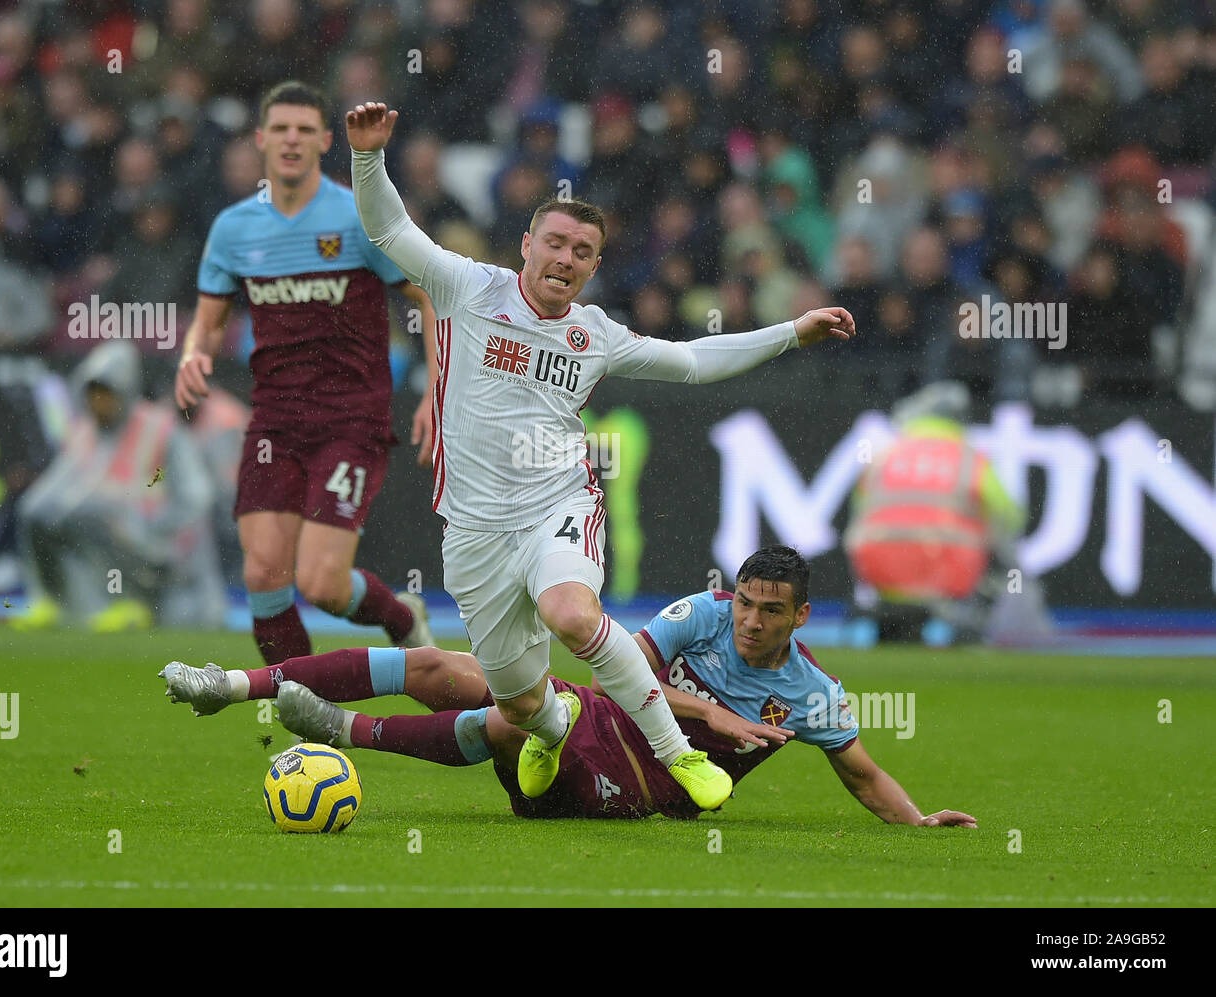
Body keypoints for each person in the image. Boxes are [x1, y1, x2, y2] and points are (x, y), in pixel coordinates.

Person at [342, 100, 856, 811]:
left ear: (593, 266)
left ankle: (680, 759)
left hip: (558, 505)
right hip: (474, 531)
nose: (566, 259)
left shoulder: (596, 335)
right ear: (526, 244)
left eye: (582, 252)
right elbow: (387, 226)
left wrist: (791, 332)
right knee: (520, 703)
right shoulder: (466, 287)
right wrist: (368, 157)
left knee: (574, 616)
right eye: (555, 243)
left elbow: (694, 361)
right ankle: (551, 732)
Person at [160, 546, 974, 827]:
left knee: (518, 726)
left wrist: (916, 821)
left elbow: (862, 772)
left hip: (642, 786)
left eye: (770, 612)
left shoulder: (812, 693)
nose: (751, 622)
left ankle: (344, 730)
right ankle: (233, 683)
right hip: (602, 715)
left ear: (801, 615)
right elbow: (613, 674)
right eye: (746, 604)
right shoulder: (702, 613)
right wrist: (709, 710)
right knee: (442, 668)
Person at [175, 82, 437, 666]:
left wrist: (435, 392)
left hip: (351, 419)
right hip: (274, 421)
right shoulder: (234, 229)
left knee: (321, 585)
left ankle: (400, 616)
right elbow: (210, 321)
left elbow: (430, 296)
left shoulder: (358, 217)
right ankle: (301, 715)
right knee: (264, 573)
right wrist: (195, 354)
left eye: (304, 129)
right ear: (262, 140)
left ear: (324, 140)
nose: (291, 139)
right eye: (281, 129)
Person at [12, 341, 224, 631]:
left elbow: (197, 495)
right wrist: (39, 511)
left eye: (106, 394)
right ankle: (51, 600)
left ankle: (126, 602)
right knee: (36, 512)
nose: (99, 403)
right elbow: (49, 494)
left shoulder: (161, 428)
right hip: (102, 530)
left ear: (125, 392)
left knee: (100, 513)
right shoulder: (85, 433)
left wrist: (156, 523)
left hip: (158, 543)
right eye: (93, 395)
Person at [843, 381, 1042, 644]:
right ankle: (972, 633)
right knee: (1003, 552)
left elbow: (860, 507)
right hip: (944, 565)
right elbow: (1010, 516)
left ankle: (891, 621)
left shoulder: (885, 455)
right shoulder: (970, 459)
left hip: (879, 566)